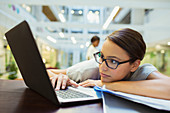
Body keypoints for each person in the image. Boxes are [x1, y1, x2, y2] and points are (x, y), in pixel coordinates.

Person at [48, 28, 170, 100]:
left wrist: (106, 85)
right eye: (102, 56)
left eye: (113, 61)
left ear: (134, 65)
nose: (103, 67)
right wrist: (58, 77)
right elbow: (46, 72)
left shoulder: (142, 72)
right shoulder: (92, 67)